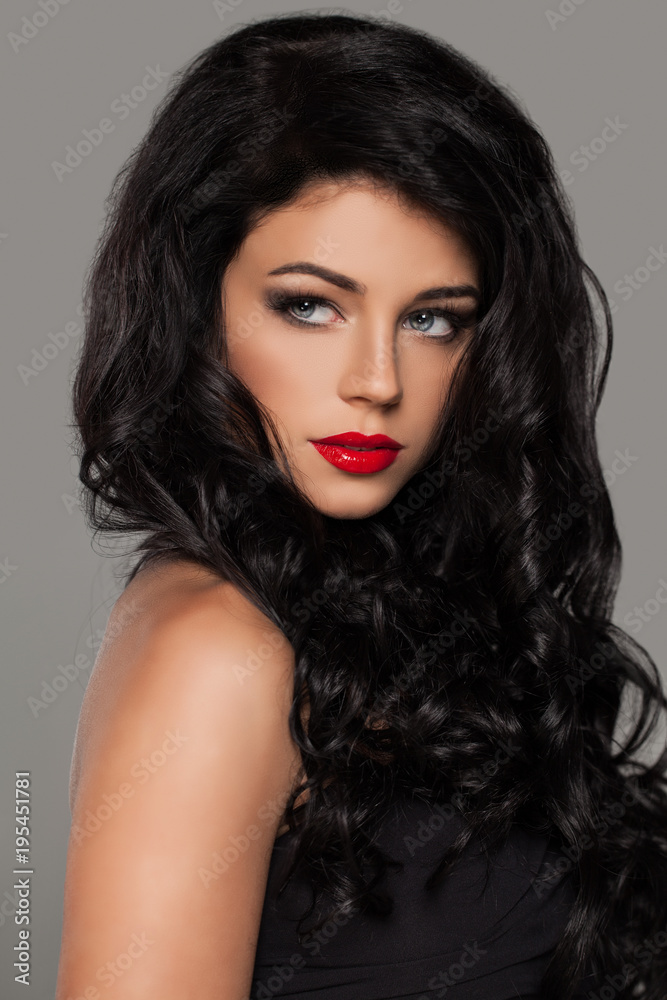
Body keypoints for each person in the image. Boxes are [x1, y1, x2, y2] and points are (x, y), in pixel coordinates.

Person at [55, 11, 667, 1000]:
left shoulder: (398, 601)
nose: (376, 381)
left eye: (431, 319)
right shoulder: (213, 650)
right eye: (309, 305)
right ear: (197, 305)